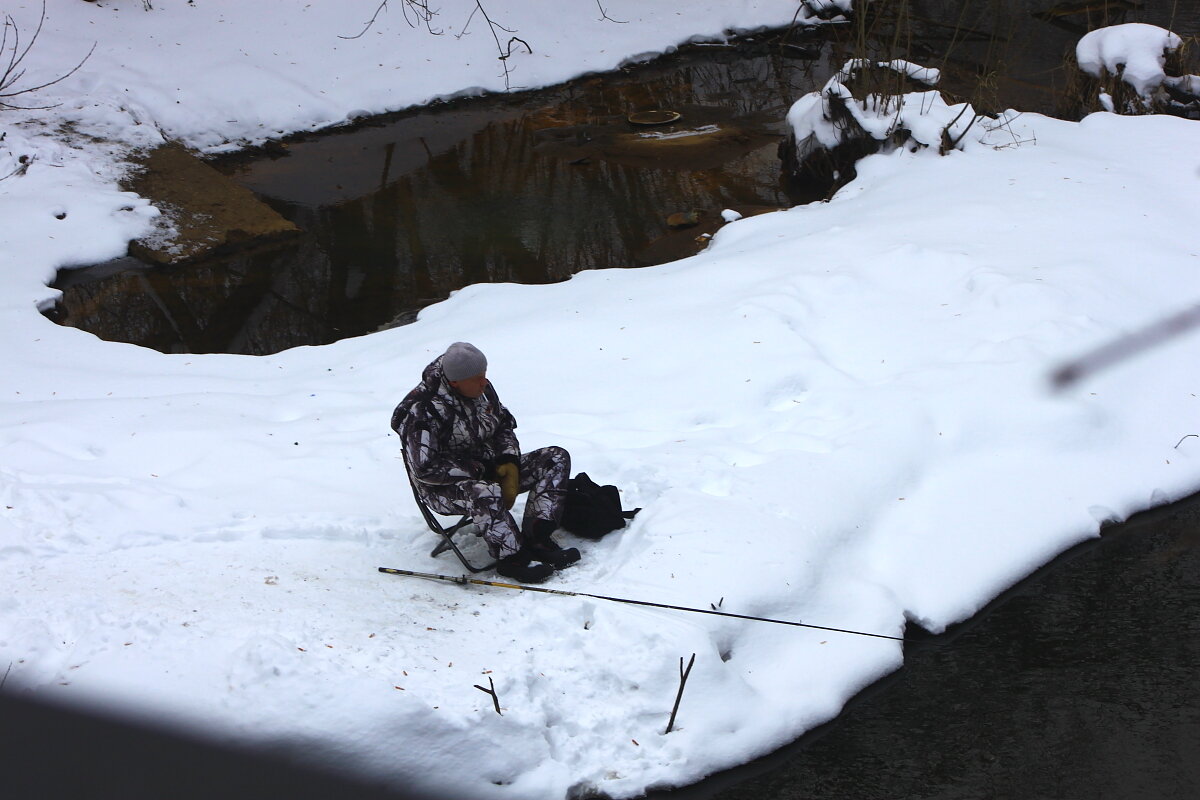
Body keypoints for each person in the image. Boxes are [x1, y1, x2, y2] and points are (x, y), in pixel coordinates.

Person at [391, 342, 579, 583]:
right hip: (441, 488)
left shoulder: (481, 390)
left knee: (554, 457)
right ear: (456, 382)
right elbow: (425, 469)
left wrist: (508, 460)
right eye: (477, 378)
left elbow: (503, 425)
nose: (484, 382)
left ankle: (538, 538)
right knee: (483, 491)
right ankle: (513, 558)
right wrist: (481, 470)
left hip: (491, 468)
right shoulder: (422, 411)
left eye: (484, 375)